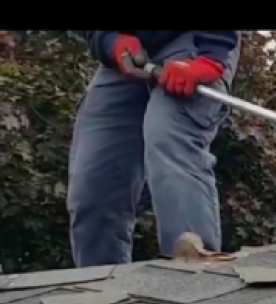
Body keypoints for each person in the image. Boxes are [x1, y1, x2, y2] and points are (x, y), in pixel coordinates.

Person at [67, 31, 241, 267]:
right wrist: (110, 40)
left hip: (196, 40)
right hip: (128, 49)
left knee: (169, 133)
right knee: (94, 180)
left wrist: (210, 57)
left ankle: (192, 272)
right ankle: (102, 281)